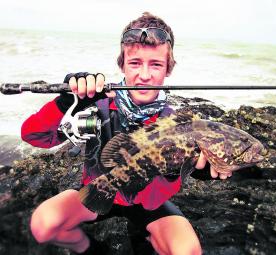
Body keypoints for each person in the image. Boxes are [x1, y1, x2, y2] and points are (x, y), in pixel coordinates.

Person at [21, 12, 231, 255]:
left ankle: (146, 237)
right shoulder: (96, 104)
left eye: (156, 64)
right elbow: (34, 136)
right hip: (99, 190)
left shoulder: (178, 123)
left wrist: (205, 170)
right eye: (135, 63)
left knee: (188, 251)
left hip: (149, 204)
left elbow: (195, 167)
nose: (144, 75)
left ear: (168, 69)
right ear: (122, 64)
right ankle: (92, 250)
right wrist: (66, 102)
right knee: (43, 225)